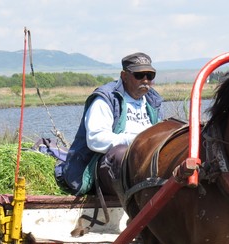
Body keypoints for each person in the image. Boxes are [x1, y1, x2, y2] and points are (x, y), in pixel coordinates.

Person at [60, 52, 164, 195]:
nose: (145, 80)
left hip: (145, 162)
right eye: (139, 75)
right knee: (121, 154)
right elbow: (96, 139)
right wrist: (137, 140)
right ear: (124, 76)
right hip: (103, 165)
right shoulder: (106, 99)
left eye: (150, 76)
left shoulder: (153, 101)